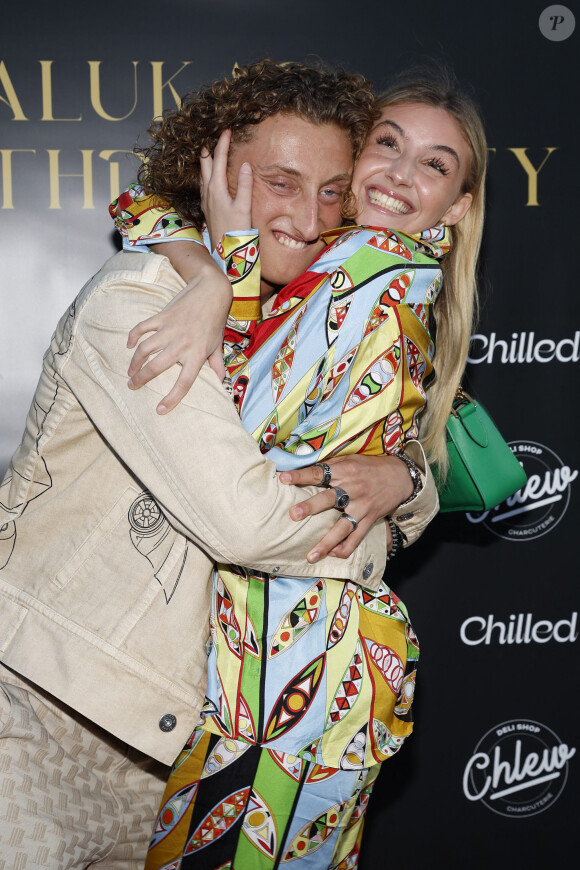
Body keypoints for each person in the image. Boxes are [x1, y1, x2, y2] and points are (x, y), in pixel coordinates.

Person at [0, 61, 437, 867]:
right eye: (281, 181)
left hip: (175, 732)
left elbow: (405, 445)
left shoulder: (304, 315)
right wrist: (372, 539)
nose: (309, 217)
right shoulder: (140, 300)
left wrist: (407, 479)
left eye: (334, 190)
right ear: (215, 170)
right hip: (43, 711)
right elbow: (248, 520)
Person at [112, 69, 486, 868]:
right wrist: (214, 271)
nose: (398, 173)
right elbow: (140, 206)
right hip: (288, 662)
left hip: (292, 673)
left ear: (456, 209)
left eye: (434, 165)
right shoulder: (339, 261)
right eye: (388, 145)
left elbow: (238, 425)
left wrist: (225, 261)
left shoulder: (373, 275)